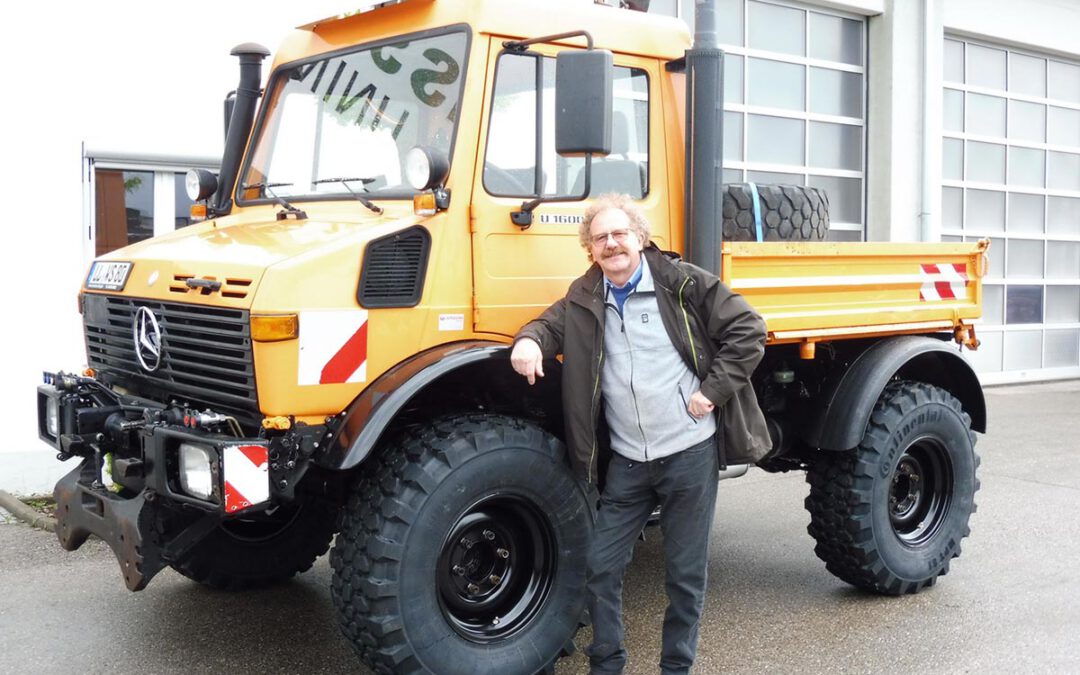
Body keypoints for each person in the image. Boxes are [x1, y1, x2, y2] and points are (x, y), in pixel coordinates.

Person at [510, 193, 771, 675]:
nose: (611, 245)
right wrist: (528, 341)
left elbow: (749, 328)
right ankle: (607, 664)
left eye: (619, 234)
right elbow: (548, 326)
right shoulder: (586, 295)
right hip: (630, 462)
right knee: (600, 565)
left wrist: (711, 393)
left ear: (639, 238)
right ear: (590, 249)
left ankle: (676, 668)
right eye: (600, 238)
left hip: (687, 453)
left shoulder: (680, 283)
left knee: (685, 576)